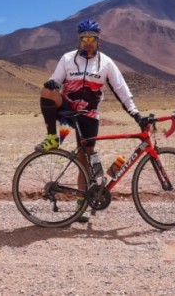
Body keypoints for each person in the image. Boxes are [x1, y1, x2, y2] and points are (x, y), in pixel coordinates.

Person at [35, 19, 143, 222]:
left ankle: (81, 204)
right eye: (84, 38)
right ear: (79, 39)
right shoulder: (67, 59)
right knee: (46, 91)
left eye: (92, 38)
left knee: (85, 159)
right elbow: (56, 80)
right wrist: (52, 82)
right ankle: (52, 138)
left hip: (89, 115)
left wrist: (136, 113)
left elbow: (121, 90)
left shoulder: (106, 63)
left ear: (98, 40)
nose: (88, 42)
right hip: (68, 111)